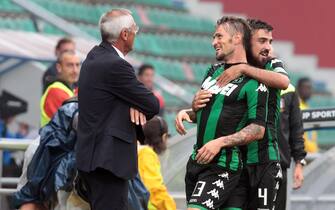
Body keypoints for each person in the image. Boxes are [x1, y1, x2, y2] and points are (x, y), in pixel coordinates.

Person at [177, 19, 288, 210]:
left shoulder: (268, 66)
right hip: (233, 161)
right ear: (246, 40)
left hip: (261, 160)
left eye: (269, 42)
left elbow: (284, 82)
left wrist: (243, 68)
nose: (268, 48)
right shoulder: (215, 71)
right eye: (262, 41)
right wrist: (190, 110)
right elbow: (215, 111)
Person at [76, 9, 159, 210]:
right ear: (124, 34)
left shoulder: (94, 56)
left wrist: (130, 102)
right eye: (134, 29)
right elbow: (152, 104)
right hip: (108, 162)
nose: (135, 33)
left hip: (93, 159)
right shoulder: (116, 65)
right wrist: (134, 101)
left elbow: (112, 96)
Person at [275, 83, 306, 210]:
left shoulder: (289, 89)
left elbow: (296, 129)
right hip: (249, 165)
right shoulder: (248, 82)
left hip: (279, 165)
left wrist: (299, 163)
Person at [138, 116, 176, 210]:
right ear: (163, 137)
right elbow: (155, 189)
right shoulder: (146, 154)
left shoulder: (138, 151)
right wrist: (170, 207)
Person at [40, 51, 80, 127]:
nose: (75, 70)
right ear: (59, 67)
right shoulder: (56, 91)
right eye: (70, 65)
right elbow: (76, 124)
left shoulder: (71, 90)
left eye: (77, 65)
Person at [297, 77, 319, 153]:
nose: (309, 91)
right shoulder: (296, 106)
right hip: (302, 156)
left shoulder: (306, 106)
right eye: (307, 88)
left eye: (310, 88)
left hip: (312, 155)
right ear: (298, 88)